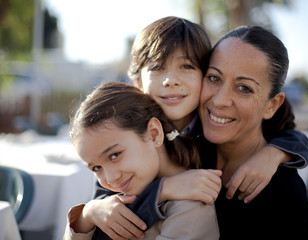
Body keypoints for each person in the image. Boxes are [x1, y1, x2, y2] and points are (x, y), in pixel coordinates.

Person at [65, 17, 308, 239]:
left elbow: (290, 134)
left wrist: (275, 153)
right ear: (138, 82)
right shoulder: (136, 136)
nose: (220, 100)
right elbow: (110, 197)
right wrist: (90, 212)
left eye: (186, 66)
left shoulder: (274, 184)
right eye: (215, 78)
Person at [198, 25, 308, 239]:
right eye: (214, 78)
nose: (220, 100)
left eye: (244, 88)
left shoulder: (283, 195)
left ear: (272, 105)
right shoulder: (185, 146)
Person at [63, 82, 220, 240]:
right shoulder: (108, 199)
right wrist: (87, 215)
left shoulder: (189, 209)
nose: (111, 178)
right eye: (96, 168)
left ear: (154, 134)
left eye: (114, 155)